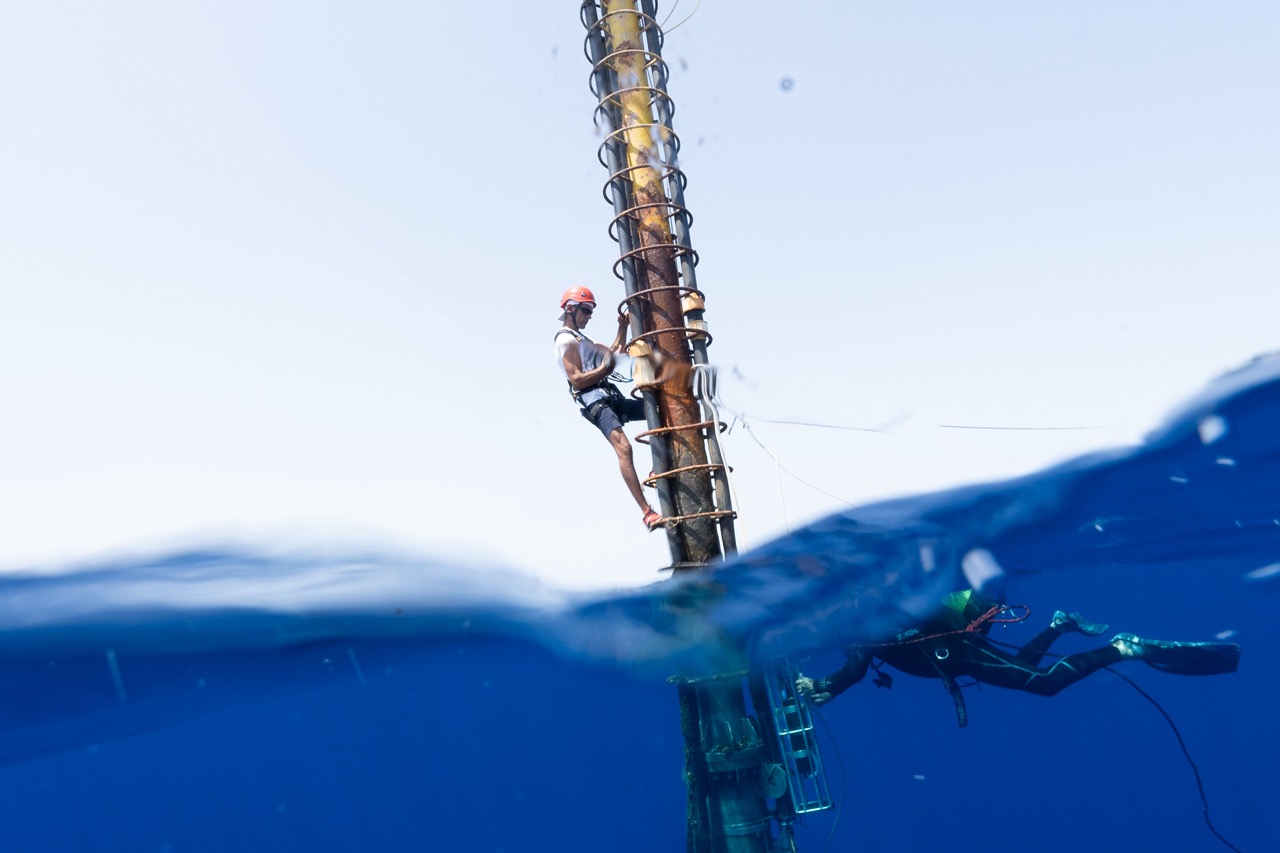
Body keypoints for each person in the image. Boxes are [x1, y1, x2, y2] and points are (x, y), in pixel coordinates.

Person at [795, 589, 1240, 726]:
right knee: (1030, 674)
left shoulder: (860, 615)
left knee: (1043, 684)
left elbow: (857, 664)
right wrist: (827, 687)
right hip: (956, 655)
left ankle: (1121, 648)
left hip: (959, 651)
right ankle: (1059, 623)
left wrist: (827, 687)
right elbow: (855, 665)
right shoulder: (853, 622)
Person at [555, 285, 665, 531]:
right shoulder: (565, 340)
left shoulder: (586, 340)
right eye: (585, 311)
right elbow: (577, 379)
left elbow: (614, 353)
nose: (588, 317)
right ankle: (647, 512)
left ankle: (658, 467)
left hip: (609, 395)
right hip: (594, 400)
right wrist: (604, 370)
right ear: (570, 309)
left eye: (591, 312)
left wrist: (623, 327)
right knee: (624, 448)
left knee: (656, 408)